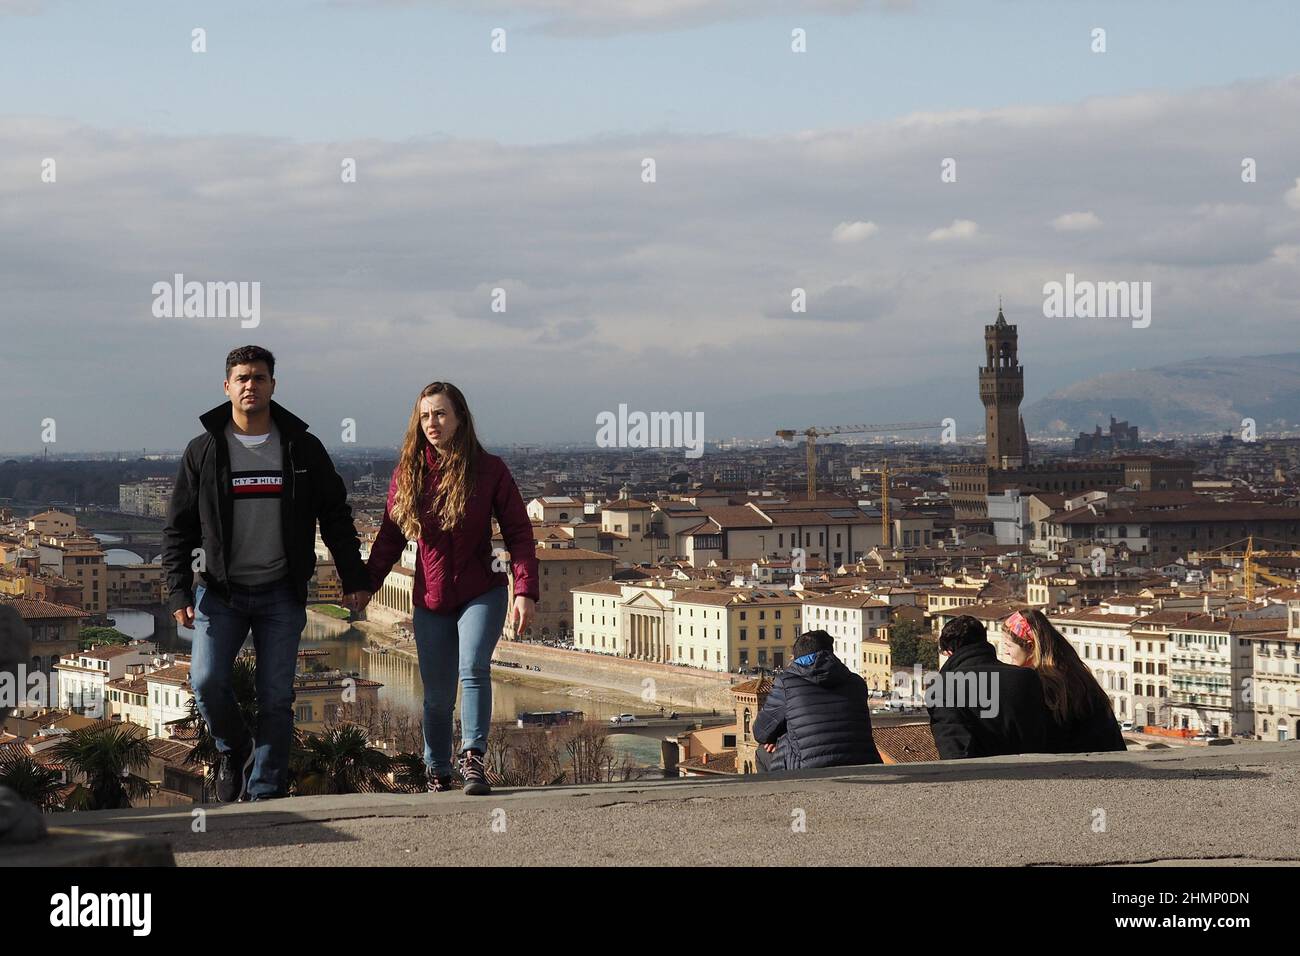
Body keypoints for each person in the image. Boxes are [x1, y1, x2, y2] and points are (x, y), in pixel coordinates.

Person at [163, 346, 372, 803]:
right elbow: (179, 527)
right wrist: (178, 588)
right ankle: (233, 748)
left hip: (281, 592)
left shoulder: (302, 448)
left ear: (273, 385)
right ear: (227, 387)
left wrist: (354, 577)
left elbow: (335, 515)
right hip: (220, 592)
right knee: (206, 681)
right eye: (242, 378)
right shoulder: (203, 452)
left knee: (276, 698)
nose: (250, 385)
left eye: (259, 377)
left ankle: (264, 792)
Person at [365, 381, 538, 795]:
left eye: (440, 414)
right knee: (437, 695)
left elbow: (519, 532)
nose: (432, 423)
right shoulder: (408, 473)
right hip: (431, 598)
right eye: (425, 415)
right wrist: (365, 585)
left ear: (460, 417)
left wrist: (524, 590)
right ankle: (437, 768)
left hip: (482, 590)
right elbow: (390, 537)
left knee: (474, 668)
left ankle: (473, 759)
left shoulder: (490, 469)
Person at [751, 629, 882, 771]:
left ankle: (778, 793)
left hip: (809, 768)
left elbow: (760, 733)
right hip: (865, 763)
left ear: (795, 657)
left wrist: (777, 738)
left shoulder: (786, 683)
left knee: (762, 752)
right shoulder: (857, 682)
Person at [1001, 609, 1126, 753]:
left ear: (1030, 646)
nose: (1006, 652)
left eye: (1009, 646)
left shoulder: (1042, 684)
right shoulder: (1075, 675)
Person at [927, 615, 1050, 760]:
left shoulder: (943, 687)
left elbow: (954, 751)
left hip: (981, 777)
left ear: (949, 652)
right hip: (1032, 773)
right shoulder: (1027, 678)